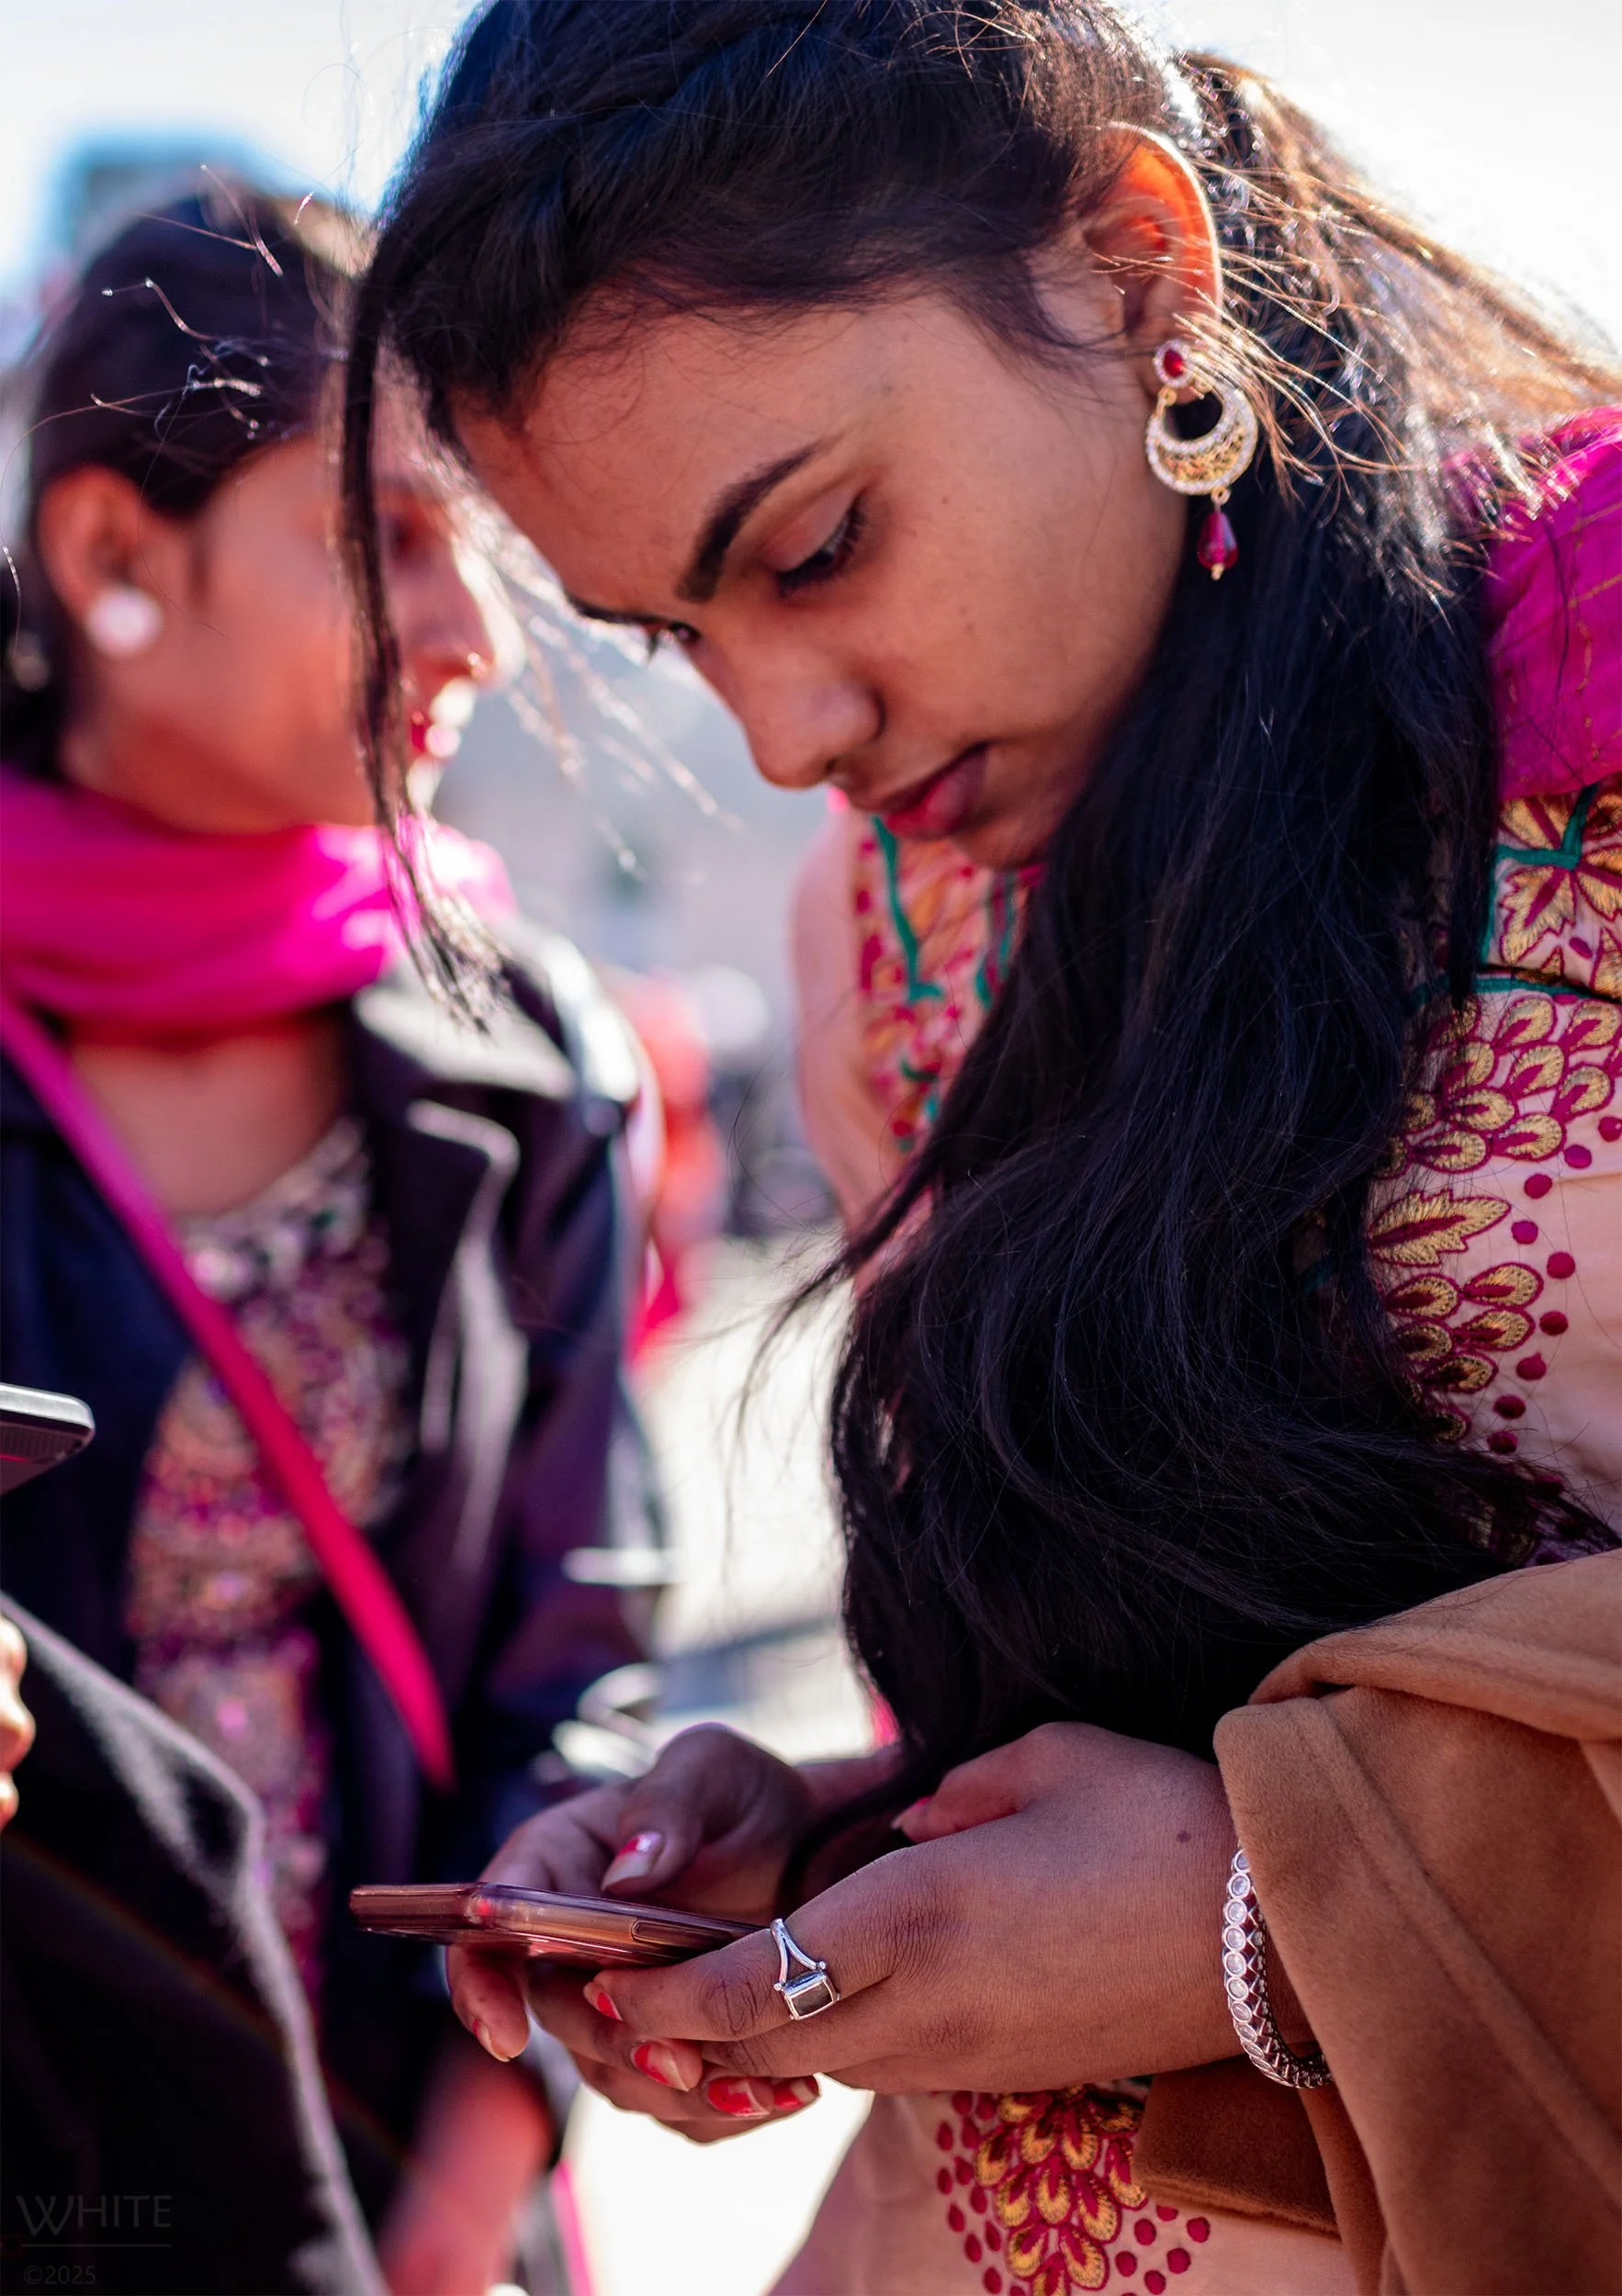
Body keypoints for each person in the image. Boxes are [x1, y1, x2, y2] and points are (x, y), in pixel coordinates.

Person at [343, 6, 1621, 2289]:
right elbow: (1191, 1685)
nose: (782, 735)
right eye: (672, 638)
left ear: (1139, 269)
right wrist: (852, 1835)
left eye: (817, 544)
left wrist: (1271, 1913)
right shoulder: (902, 919)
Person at [0, 185, 661, 2296]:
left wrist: (442, 2227)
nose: (470, 630)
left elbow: (582, 1665)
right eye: (381, 533)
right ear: (114, 558)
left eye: (480, 544)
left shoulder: (522, 1046)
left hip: (414, 2159)